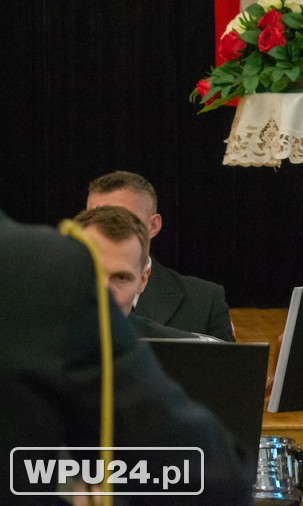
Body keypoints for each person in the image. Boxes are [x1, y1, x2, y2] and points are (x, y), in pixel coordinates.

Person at [0, 210, 251, 503]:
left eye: (120, 277)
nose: (105, 292)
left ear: (143, 279)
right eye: (94, 277)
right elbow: (213, 476)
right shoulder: (37, 267)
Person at [87, 170, 234, 341]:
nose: (105, 231)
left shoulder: (204, 301)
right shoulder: (55, 299)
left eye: (121, 220)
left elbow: (226, 366)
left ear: (153, 225)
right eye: (94, 218)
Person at [74, 205, 198, 340]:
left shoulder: (187, 353)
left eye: (120, 277)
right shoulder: (47, 342)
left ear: (143, 280)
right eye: (91, 272)